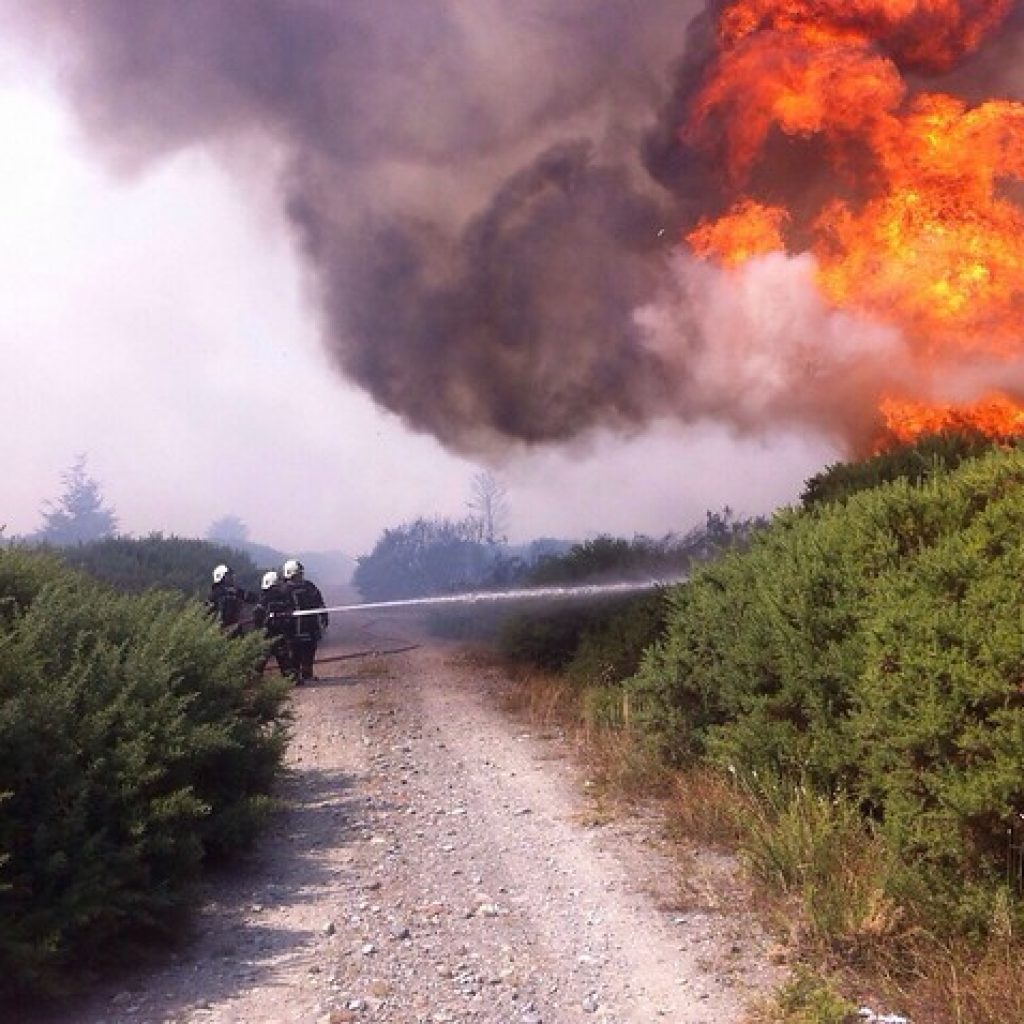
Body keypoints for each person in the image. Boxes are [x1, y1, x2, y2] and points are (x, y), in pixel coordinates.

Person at [281, 558, 328, 683]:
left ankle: (307, 674)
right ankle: (294, 678)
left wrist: (324, 616)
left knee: (310, 650)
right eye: (298, 574)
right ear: (290, 574)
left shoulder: (309, 586)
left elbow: (319, 601)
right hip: (293, 629)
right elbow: (279, 608)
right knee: (294, 653)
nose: (300, 577)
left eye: (301, 574)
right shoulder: (283, 590)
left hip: (310, 626)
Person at [252, 570, 297, 680]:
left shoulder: (266, 599)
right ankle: (290, 679)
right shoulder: (278, 599)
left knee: (261, 663)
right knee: (283, 660)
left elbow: (257, 616)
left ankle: (254, 681)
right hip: (275, 635)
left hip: (269, 635)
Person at [205, 564, 256, 635]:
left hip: (229, 629)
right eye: (228, 575)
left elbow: (252, 598)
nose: (232, 578)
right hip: (222, 630)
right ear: (221, 577)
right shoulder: (216, 593)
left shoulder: (234, 591)